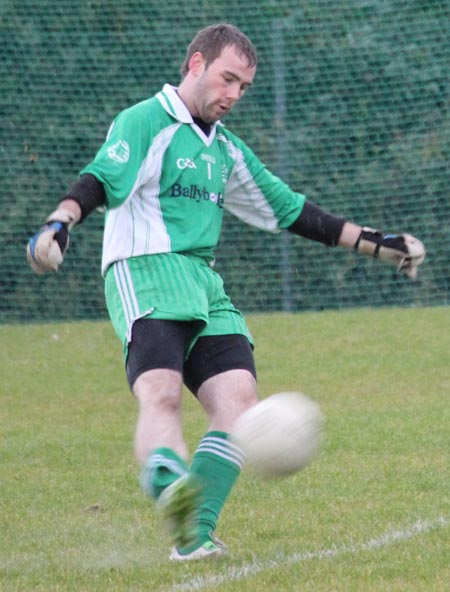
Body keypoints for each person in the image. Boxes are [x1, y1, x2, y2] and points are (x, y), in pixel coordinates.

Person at [27, 23, 425, 561]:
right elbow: (99, 177)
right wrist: (59, 224)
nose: (234, 95)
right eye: (227, 79)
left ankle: (193, 537)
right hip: (145, 272)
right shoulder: (147, 120)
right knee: (161, 393)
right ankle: (169, 483)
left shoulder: (225, 150)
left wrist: (382, 244)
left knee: (238, 401)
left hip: (202, 281)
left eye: (244, 86)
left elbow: (294, 211)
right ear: (196, 64)